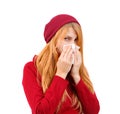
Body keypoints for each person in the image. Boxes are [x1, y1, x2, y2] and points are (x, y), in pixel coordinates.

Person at [22, 14, 100, 114]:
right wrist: (61, 74)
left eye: (76, 40)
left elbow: (93, 111)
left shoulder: (77, 67)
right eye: (67, 39)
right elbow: (40, 112)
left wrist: (76, 75)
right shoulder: (32, 69)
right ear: (53, 41)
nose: (73, 45)